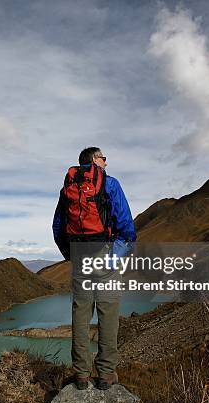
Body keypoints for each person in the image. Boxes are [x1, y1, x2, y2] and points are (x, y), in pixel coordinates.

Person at [52, 146, 136, 390]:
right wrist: (118, 256)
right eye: (104, 158)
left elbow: (58, 226)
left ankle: (81, 374)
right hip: (105, 253)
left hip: (80, 255)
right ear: (95, 160)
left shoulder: (68, 187)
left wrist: (70, 254)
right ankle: (106, 375)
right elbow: (126, 225)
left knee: (81, 314)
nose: (107, 163)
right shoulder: (110, 184)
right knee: (108, 314)